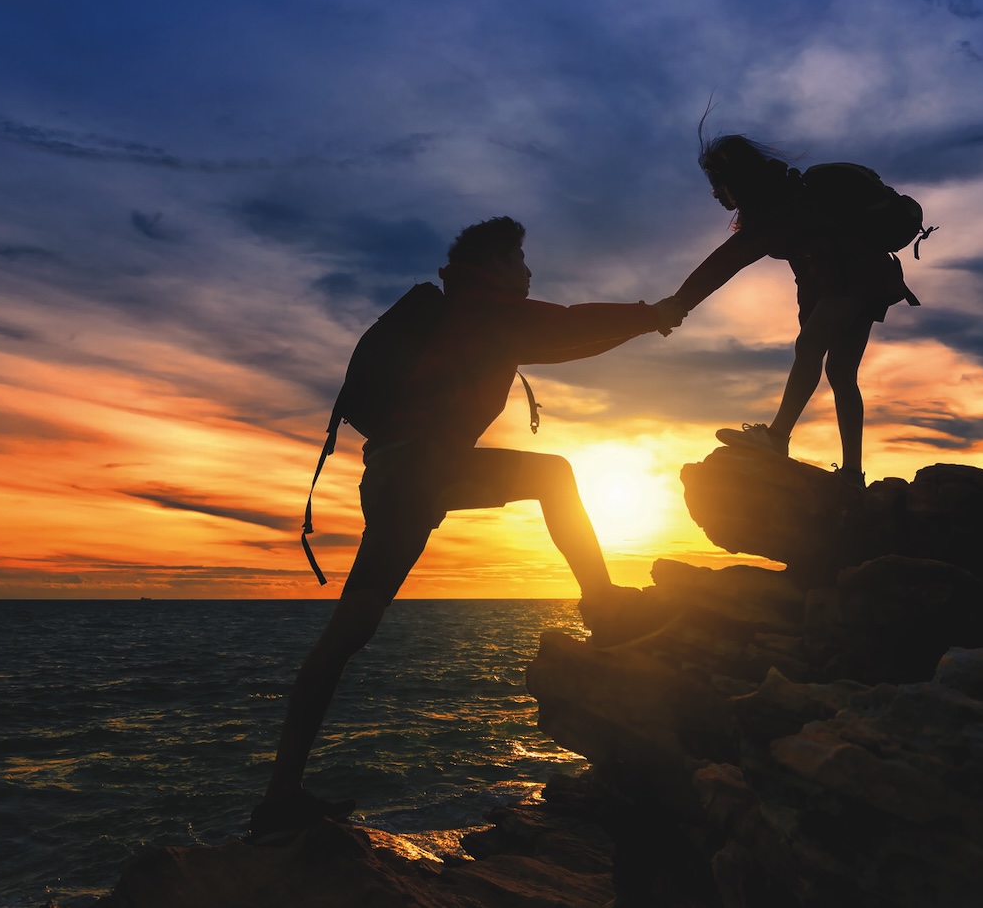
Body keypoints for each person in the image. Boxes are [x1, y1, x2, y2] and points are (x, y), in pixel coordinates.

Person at [251, 216, 686, 842]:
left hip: (396, 476)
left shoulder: (462, 314)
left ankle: (279, 798)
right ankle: (605, 606)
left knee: (349, 633)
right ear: (496, 263)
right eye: (521, 260)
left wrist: (646, 320)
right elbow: (568, 327)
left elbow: (563, 342)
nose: (530, 272)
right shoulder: (481, 310)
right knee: (556, 475)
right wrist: (652, 313)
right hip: (424, 466)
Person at [670, 136, 914, 487]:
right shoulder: (787, 194)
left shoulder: (775, 205)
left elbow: (729, 260)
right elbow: (810, 267)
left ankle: (777, 437)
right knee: (841, 373)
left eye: (718, 186)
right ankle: (851, 473)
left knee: (813, 348)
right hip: (868, 277)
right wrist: (808, 317)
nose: (718, 196)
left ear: (734, 179)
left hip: (855, 277)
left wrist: (680, 302)